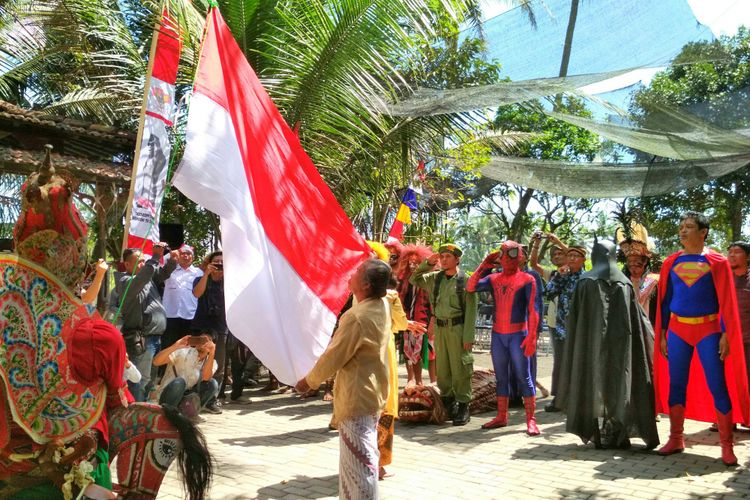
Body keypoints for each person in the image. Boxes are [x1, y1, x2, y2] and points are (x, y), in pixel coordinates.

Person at [654, 212, 750, 466]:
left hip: (708, 330)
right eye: (681, 226)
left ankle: (727, 446)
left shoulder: (716, 261)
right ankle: (676, 438)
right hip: (677, 331)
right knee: (676, 385)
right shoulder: (671, 262)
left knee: (718, 385)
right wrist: (663, 332)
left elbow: (726, 301)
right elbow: (665, 299)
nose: (683, 231)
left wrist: (726, 333)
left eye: (689, 227)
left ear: (703, 231)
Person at [295, 259, 392, 499]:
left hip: (357, 396)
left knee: (360, 466)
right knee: (356, 464)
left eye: (358, 271)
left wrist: (309, 381)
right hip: (372, 392)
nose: (352, 272)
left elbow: (334, 357)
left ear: (366, 285)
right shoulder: (382, 305)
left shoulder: (357, 316)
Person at [557, 239, 659, 450]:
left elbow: (575, 319)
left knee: (593, 379)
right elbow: (639, 321)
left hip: (590, 344)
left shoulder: (586, 282)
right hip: (623, 347)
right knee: (620, 381)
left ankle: (599, 430)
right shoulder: (625, 283)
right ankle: (617, 431)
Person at [467, 241, 540, 435]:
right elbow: (470, 287)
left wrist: (532, 336)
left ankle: (531, 419)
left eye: (513, 253)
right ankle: (502, 416)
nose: (508, 257)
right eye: (504, 253)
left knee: (524, 377)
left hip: (518, 334)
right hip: (499, 335)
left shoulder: (527, 279)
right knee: (501, 378)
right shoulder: (494, 278)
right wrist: (484, 264)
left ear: (521, 257)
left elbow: (533, 309)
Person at [410, 243, 477, 426]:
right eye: (442, 256)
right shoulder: (435, 278)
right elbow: (414, 279)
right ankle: (448, 402)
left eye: (448, 256)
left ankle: (463, 405)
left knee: (460, 368)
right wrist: (428, 263)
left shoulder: (465, 280)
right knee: (443, 368)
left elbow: (471, 310)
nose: (444, 260)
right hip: (440, 329)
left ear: (457, 259)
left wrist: (468, 337)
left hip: (458, 329)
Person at [116, 243, 178, 402]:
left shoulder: (147, 278)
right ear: (127, 264)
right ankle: (135, 415)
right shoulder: (125, 281)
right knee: (140, 381)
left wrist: (172, 261)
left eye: (144, 261)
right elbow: (143, 277)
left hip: (155, 338)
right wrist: (155, 257)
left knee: (150, 381)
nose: (143, 264)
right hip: (142, 339)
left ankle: (145, 411)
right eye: (139, 261)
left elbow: (163, 273)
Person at [543, 240, 587, 412]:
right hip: (561, 328)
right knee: (561, 363)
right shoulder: (562, 275)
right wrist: (559, 276)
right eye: (570, 255)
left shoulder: (587, 278)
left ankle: (579, 401)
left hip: (580, 329)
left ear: (584, 259)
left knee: (580, 364)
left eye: (576, 256)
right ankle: (559, 399)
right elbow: (548, 292)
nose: (572, 258)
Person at [152, 334, 220, 417]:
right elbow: (156, 362)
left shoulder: (212, 362)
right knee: (180, 382)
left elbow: (206, 377)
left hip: (186, 397)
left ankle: (190, 414)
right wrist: (175, 346)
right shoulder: (183, 351)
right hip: (169, 394)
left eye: (206, 341)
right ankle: (166, 415)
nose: (202, 344)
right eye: (200, 340)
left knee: (212, 384)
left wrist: (212, 352)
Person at [395, 244, 433, 387]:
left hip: (422, 322)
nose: (412, 266)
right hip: (406, 321)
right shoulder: (402, 281)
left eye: (416, 263)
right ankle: (410, 378)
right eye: (410, 263)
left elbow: (431, 305)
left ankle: (419, 380)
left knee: (418, 352)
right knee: (406, 351)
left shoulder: (427, 281)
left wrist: (431, 323)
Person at [162, 244, 203, 350]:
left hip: (190, 316)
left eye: (188, 254)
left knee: (188, 349)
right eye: (182, 253)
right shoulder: (169, 270)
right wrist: (172, 254)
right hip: (170, 316)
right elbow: (159, 263)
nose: (185, 256)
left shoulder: (199, 273)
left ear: (193, 257)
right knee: (169, 348)